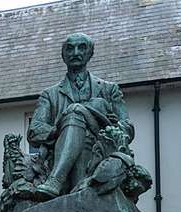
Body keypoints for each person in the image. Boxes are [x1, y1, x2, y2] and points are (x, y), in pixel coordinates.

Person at [28, 33, 134, 200]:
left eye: (81, 47)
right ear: (63, 56)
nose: (75, 52)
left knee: (75, 110)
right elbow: (34, 131)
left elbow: (127, 126)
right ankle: (72, 190)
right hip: (64, 149)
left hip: (100, 149)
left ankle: (55, 181)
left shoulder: (109, 89)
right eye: (70, 49)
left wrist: (113, 132)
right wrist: (60, 128)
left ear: (90, 53)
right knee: (74, 115)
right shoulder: (50, 94)